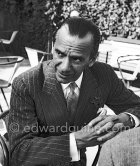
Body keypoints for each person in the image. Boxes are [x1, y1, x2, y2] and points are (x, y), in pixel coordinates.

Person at [8, 17, 140, 166]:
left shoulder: (104, 75)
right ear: (52, 47)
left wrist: (125, 119)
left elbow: (137, 107)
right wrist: (78, 140)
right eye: (60, 53)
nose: (64, 67)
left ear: (92, 60)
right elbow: (19, 152)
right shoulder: (26, 83)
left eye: (76, 59)